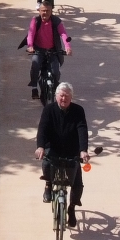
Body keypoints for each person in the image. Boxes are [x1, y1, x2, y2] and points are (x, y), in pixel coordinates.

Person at [35, 82, 90, 226]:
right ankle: (48, 184)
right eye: (61, 96)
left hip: (72, 150)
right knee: (46, 162)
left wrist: (83, 150)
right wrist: (40, 147)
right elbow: (42, 129)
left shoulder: (78, 110)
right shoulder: (48, 109)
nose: (63, 99)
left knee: (77, 183)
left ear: (71, 97)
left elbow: (82, 129)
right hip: (53, 148)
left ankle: (71, 208)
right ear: (56, 96)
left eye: (66, 96)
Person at [16, 4, 70, 99]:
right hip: (38, 49)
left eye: (48, 10)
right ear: (39, 11)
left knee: (56, 71)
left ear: (51, 11)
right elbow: (31, 34)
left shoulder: (56, 21)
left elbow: (63, 34)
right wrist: (30, 46)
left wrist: (67, 47)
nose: (45, 13)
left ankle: (55, 87)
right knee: (35, 64)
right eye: (43, 10)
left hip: (53, 50)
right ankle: (34, 88)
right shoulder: (35, 20)